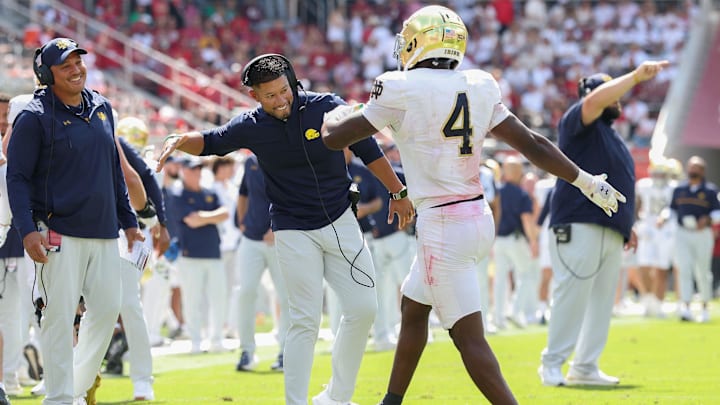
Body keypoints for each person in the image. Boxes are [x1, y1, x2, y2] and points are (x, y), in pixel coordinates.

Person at [321, 5, 626, 404]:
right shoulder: (479, 83)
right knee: (413, 310)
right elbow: (532, 143)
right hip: (476, 216)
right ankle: (391, 401)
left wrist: (335, 115)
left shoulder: (399, 86)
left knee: (468, 338)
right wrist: (584, 181)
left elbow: (333, 139)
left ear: (417, 41)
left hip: (442, 225)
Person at [156, 53, 413, 405]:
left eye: (284, 90)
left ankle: (336, 397)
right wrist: (180, 139)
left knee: (364, 308)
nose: (280, 100)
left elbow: (367, 147)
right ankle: (296, 402)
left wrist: (397, 192)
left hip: (341, 221)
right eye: (270, 95)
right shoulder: (250, 125)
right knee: (304, 320)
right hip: (292, 230)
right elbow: (213, 141)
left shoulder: (328, 107)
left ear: (293, 81)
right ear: (255, 97)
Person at [6, 37, 144, 404]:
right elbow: (16, 177)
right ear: (45, 74)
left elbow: (113, 169)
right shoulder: (33, 117)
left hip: (103, 230)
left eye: (78, 61)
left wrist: (129, 221)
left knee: (107, 310)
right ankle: (60, 398)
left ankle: (75, 388)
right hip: (57, 231)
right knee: (59, 318)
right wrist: (25, 230)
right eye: (65, 65)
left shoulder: (102, 106)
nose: (76, 69)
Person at [538, 61, 669, 386]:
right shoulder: (577, 122)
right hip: (580, 221)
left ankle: (585, 367)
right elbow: (594, 102)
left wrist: (628, 225)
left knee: (600, 302)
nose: (619, 98)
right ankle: (552, 363)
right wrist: (636, 77)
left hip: (609, 228)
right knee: (572, 294)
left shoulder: (608, 135)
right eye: (612, 91)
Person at [234, 153, 289, 372]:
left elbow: (292, 197)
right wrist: (241, 221)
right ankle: (247, 351)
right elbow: (243, 193)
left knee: (285, 296)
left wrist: (277, 228)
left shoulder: (286, 158)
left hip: (280, 239)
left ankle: (286, 352)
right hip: (251, 239)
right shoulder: (250, 162)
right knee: (245, 292)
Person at [168, 157, 229, 354]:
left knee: (218, 298)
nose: (197, 173)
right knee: (192, 299)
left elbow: (225, 213)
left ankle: (216, 339)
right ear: (184, 171)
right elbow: (192, 221)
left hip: (213, 252)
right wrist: (210, 217)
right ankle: (195, 340)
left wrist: (203, 217)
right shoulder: (177, 194)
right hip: (190, 254)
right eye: (192, 170)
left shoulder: (209, 192)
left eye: (198, 170)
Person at [661, 156, 720, 322]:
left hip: (702, 234)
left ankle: (704, 307)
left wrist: (707, 220)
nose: (692, 171)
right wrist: (663, 218)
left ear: (702, 171)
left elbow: (717, 213)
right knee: (684, 269)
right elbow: (672, 210)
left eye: (696, 168)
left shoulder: (710, 191)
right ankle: (685, 307)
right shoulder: (679, 189)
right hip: (683, 232)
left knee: (702, 271)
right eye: (691, 167)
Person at [493, 156, 537, 330]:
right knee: (526, 275)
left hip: (498, 240)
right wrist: (533, 240)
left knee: (500, 280)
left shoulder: (497, 191)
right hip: (516, 238)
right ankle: (515, 311)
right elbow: (526, 219)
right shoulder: (521, 194)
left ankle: (498, 317)